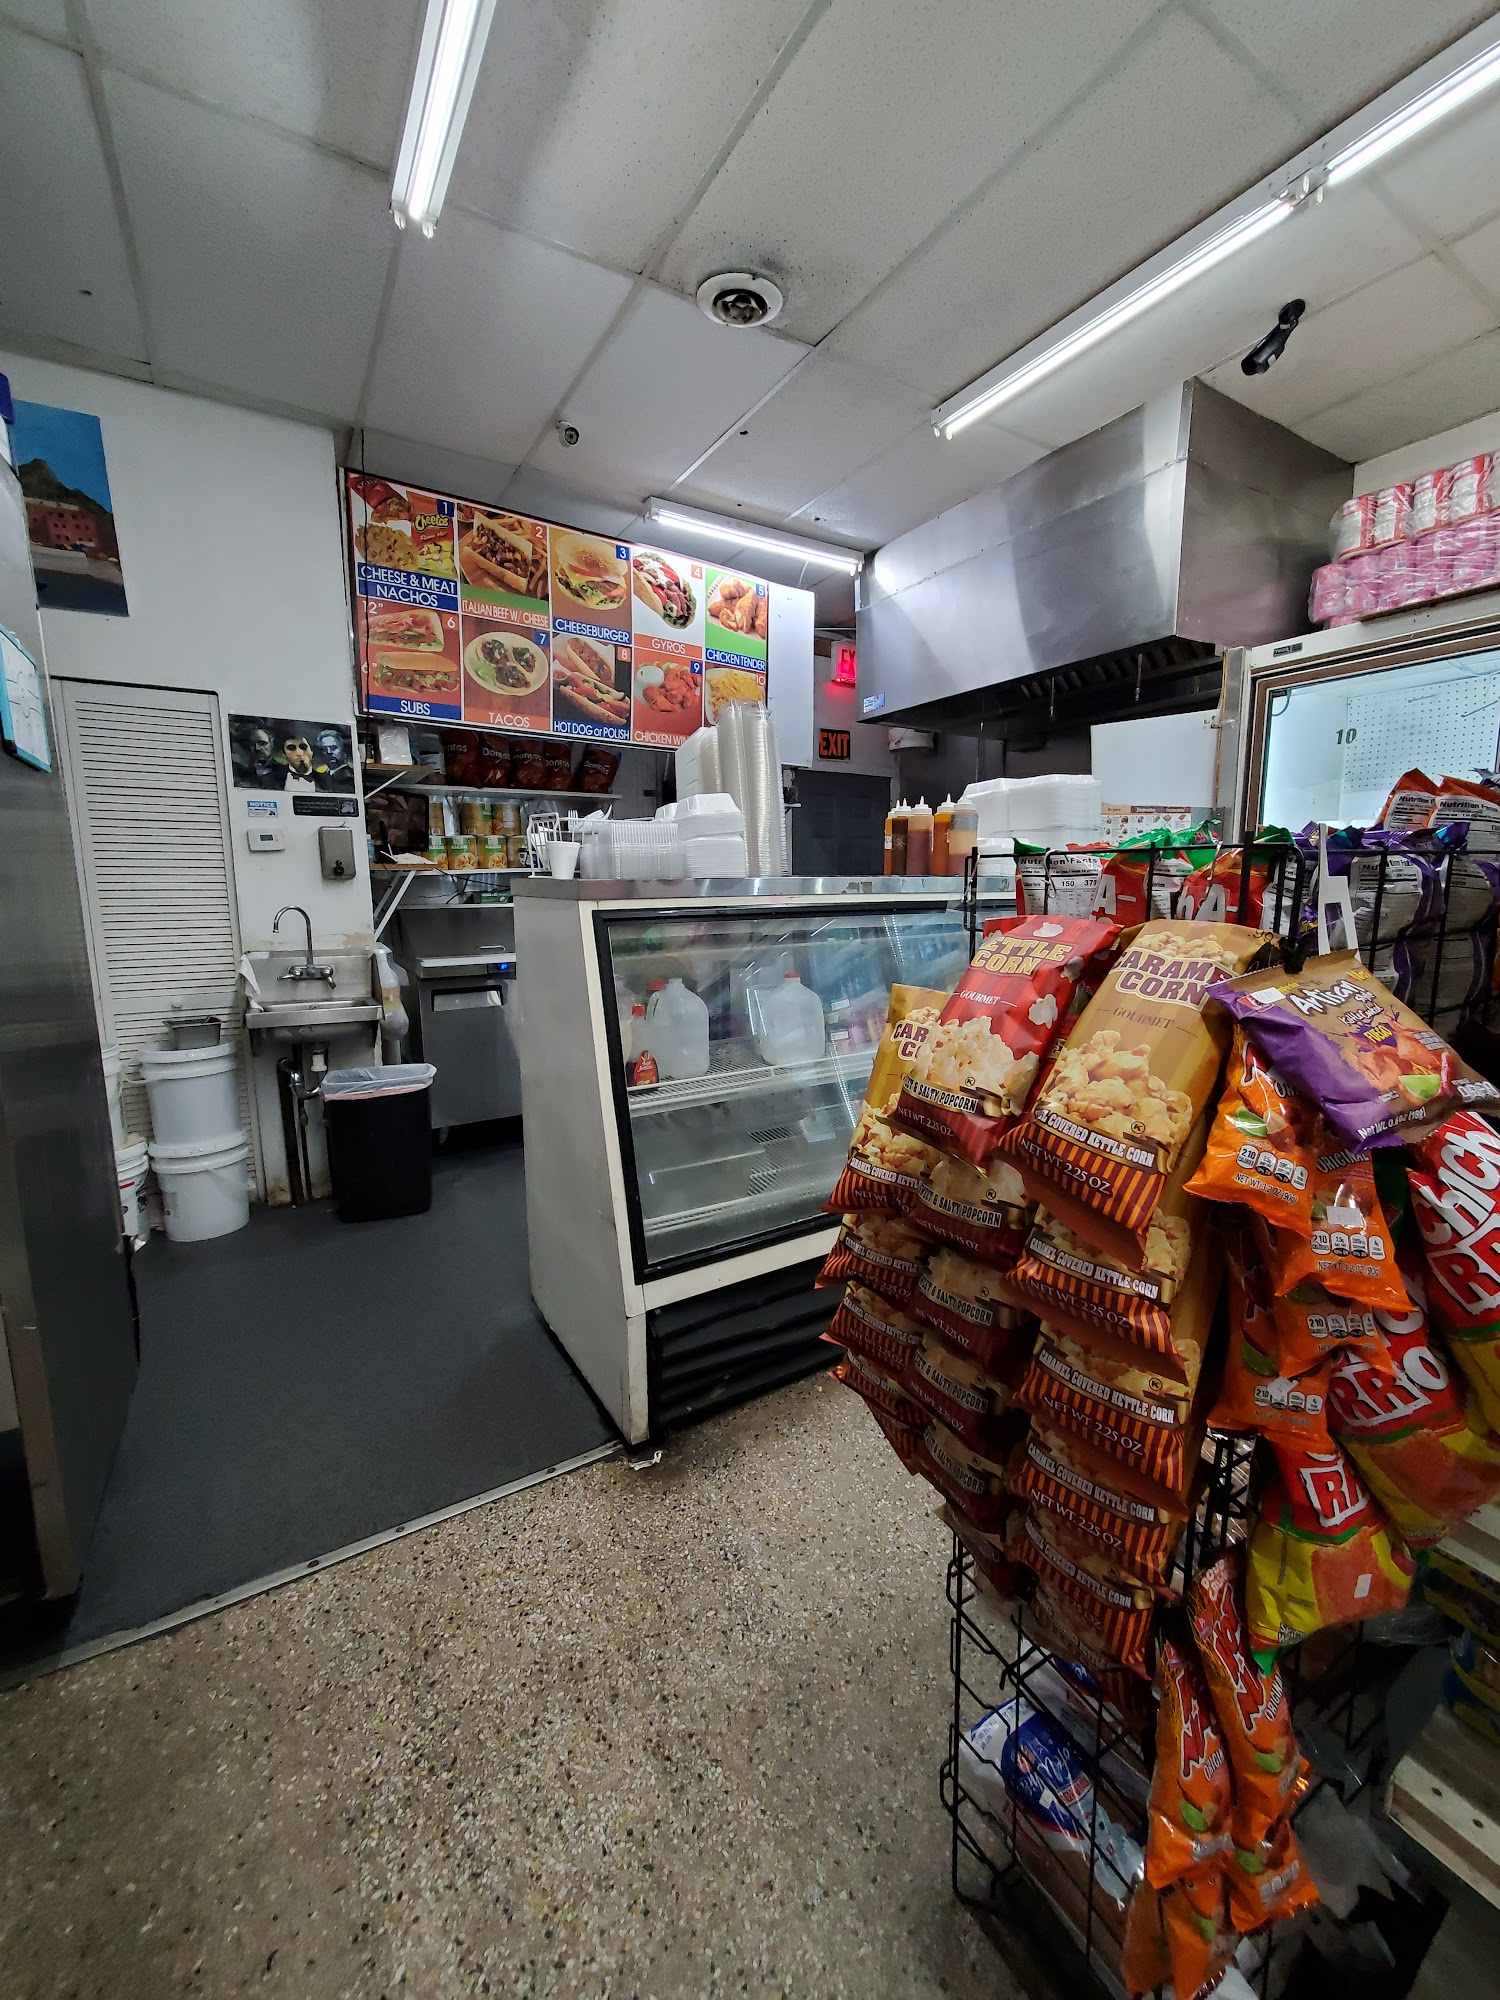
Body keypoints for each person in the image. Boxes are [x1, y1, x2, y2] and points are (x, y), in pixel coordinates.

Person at [314, 727, 353, 792]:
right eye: (324, 749)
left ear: (343, 749)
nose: (329, 752)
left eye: (333, 748)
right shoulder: (319, 777)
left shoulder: (351, 776)